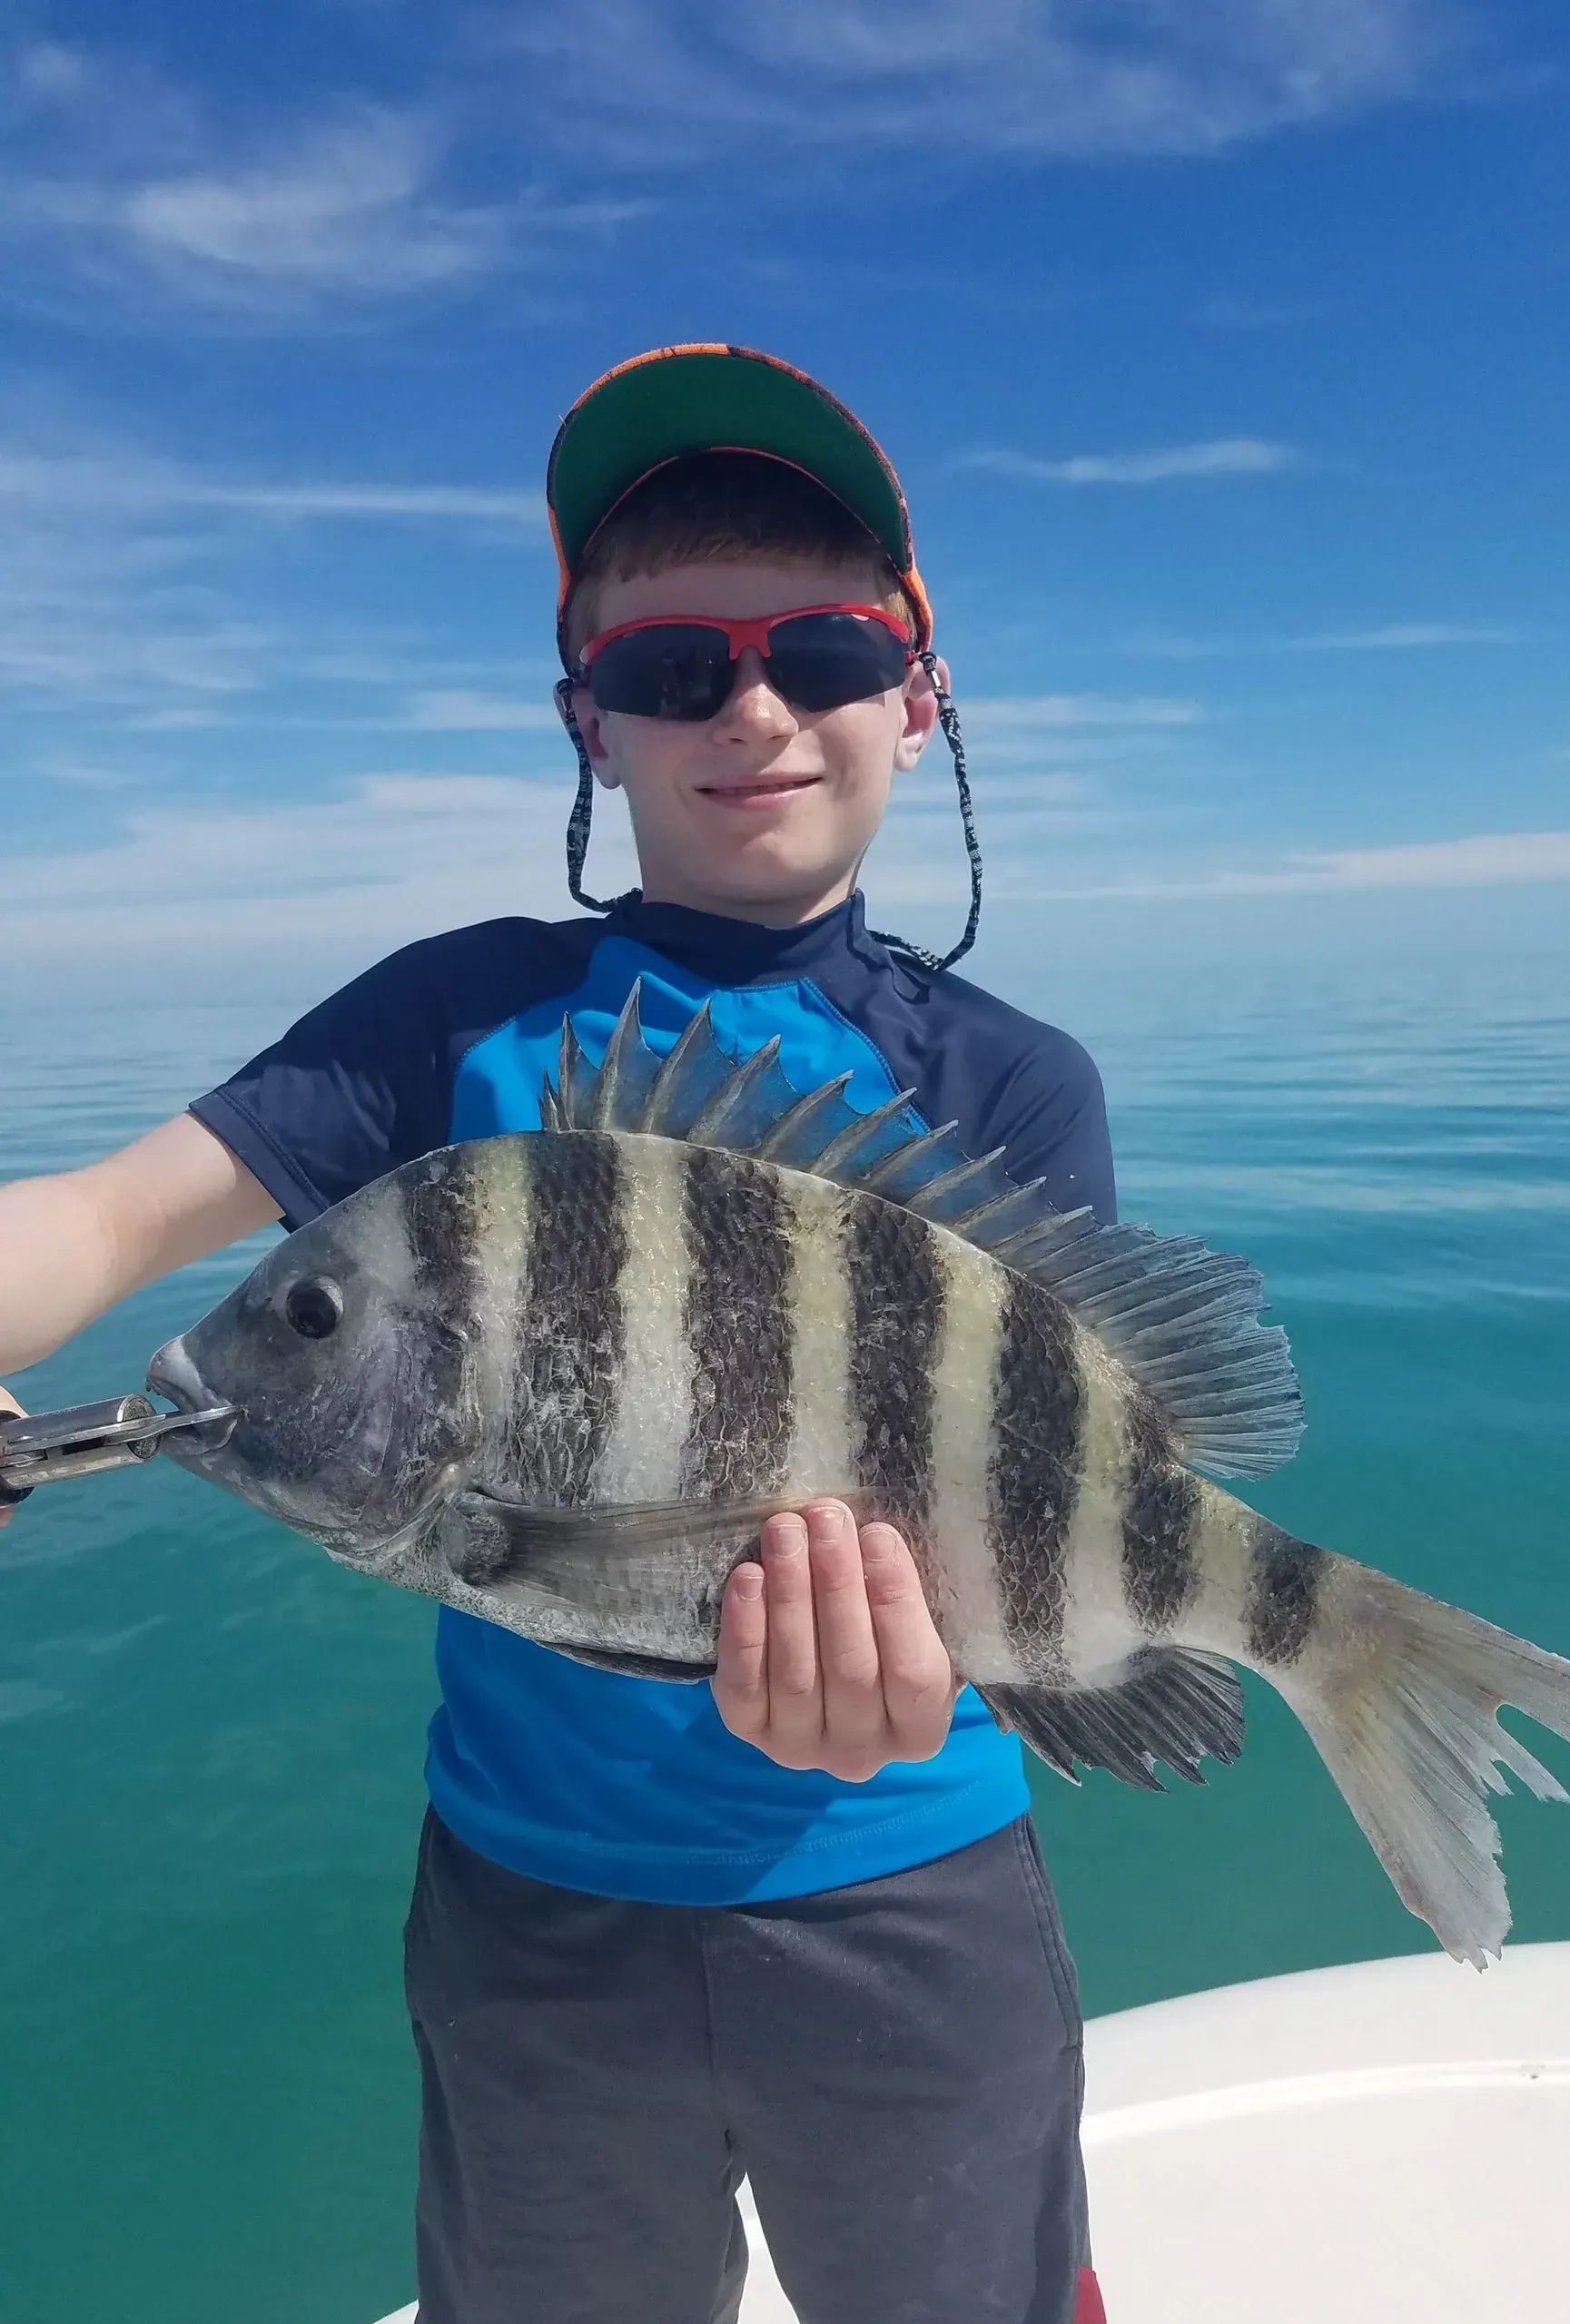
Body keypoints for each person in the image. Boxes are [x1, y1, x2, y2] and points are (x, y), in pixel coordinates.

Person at [0, 345, 1115, 2324]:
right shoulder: (446, 1019)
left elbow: (1044, 1511)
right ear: (587, 716)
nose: (754, 708)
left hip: (914, 1889)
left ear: (919, 694)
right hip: (532, 1913)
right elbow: (96, 1219)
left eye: (828, 652)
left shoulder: (1012, 1085)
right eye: (674, 669)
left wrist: (924, 1679)